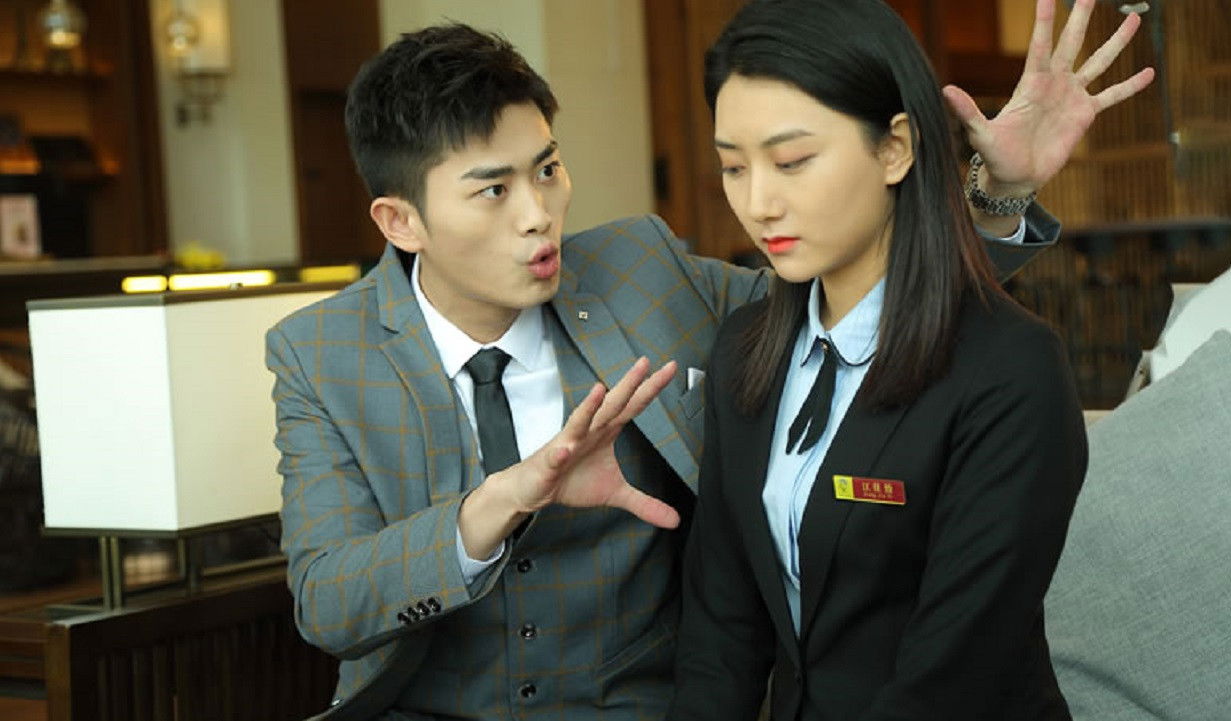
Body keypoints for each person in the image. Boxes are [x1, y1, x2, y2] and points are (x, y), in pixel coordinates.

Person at [266, 4, 1150, 718]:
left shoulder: (642, 273)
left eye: (547, 170)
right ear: (400, 221)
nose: (538, 214)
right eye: (493, 190)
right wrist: (503, 500)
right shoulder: (320, 354)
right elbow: (328, 603)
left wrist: (996, 194)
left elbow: (859, 308)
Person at [667, 0, 1151, 719]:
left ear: (895, 148)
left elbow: (951, 677)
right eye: (733, 167)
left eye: (792, 161)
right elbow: (721, 637)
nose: (759, 202)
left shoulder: (1011, 371)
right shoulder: (746, 351)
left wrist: (998, 191)